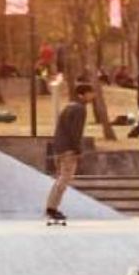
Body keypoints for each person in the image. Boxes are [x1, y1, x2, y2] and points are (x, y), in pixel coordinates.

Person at [46, 83, 95, 221]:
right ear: (83, 94)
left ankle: (52, 207)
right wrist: (77, 149)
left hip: (60, 147)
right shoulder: (80, 109)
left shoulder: (69, 106)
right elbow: (75, 132)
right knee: (64, 178)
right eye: (90, 93)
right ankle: (51, 208)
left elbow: (61, 128)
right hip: (68, 149)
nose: (93, 96)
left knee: (61, 179)